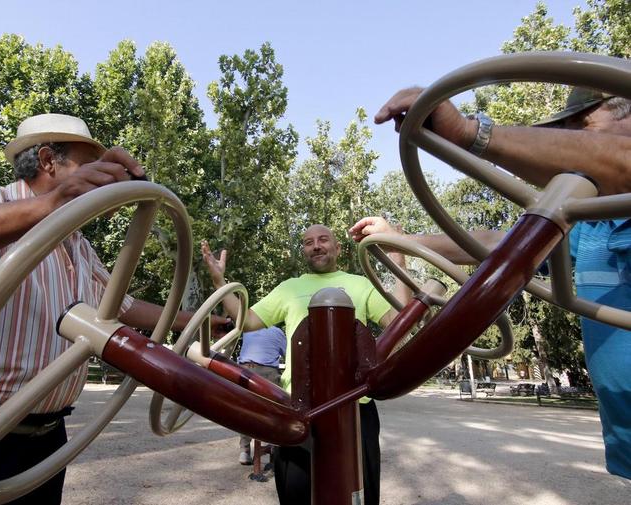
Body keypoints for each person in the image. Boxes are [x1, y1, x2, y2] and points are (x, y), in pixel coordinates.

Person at [0, 113, 228, 504]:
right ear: (47, 160)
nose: (100, 178)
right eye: (88, 166)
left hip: (40, 446)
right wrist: (53, 204)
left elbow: (120, 307)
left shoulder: (78, 245)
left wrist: (197, 321)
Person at [350, 86, 631, 480]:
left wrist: (469, 133)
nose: (574, 148)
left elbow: (620, 163)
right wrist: (402, 240)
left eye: (582, 129)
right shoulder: (592, 227)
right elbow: (499, 244)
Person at [202, 225, 410, 505]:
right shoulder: (289, 288)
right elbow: (247, 321)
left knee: (358, 493)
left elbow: (398, 322)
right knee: (295, 490)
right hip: (301, 408)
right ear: (303, 251)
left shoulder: (360, 285)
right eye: (308, 242)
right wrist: (220, 282)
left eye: (323, 240)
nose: (316, 246)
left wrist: (399, 260)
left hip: (355, 409)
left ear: (338, 248)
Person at [236, 326, 287, 465]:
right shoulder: (277, 332)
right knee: (275, 410)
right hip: (268, 373)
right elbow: (287, 355)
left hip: (245, 371)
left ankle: (244, 451)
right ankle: (274, 446)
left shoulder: (248, 329)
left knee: (245, 411)